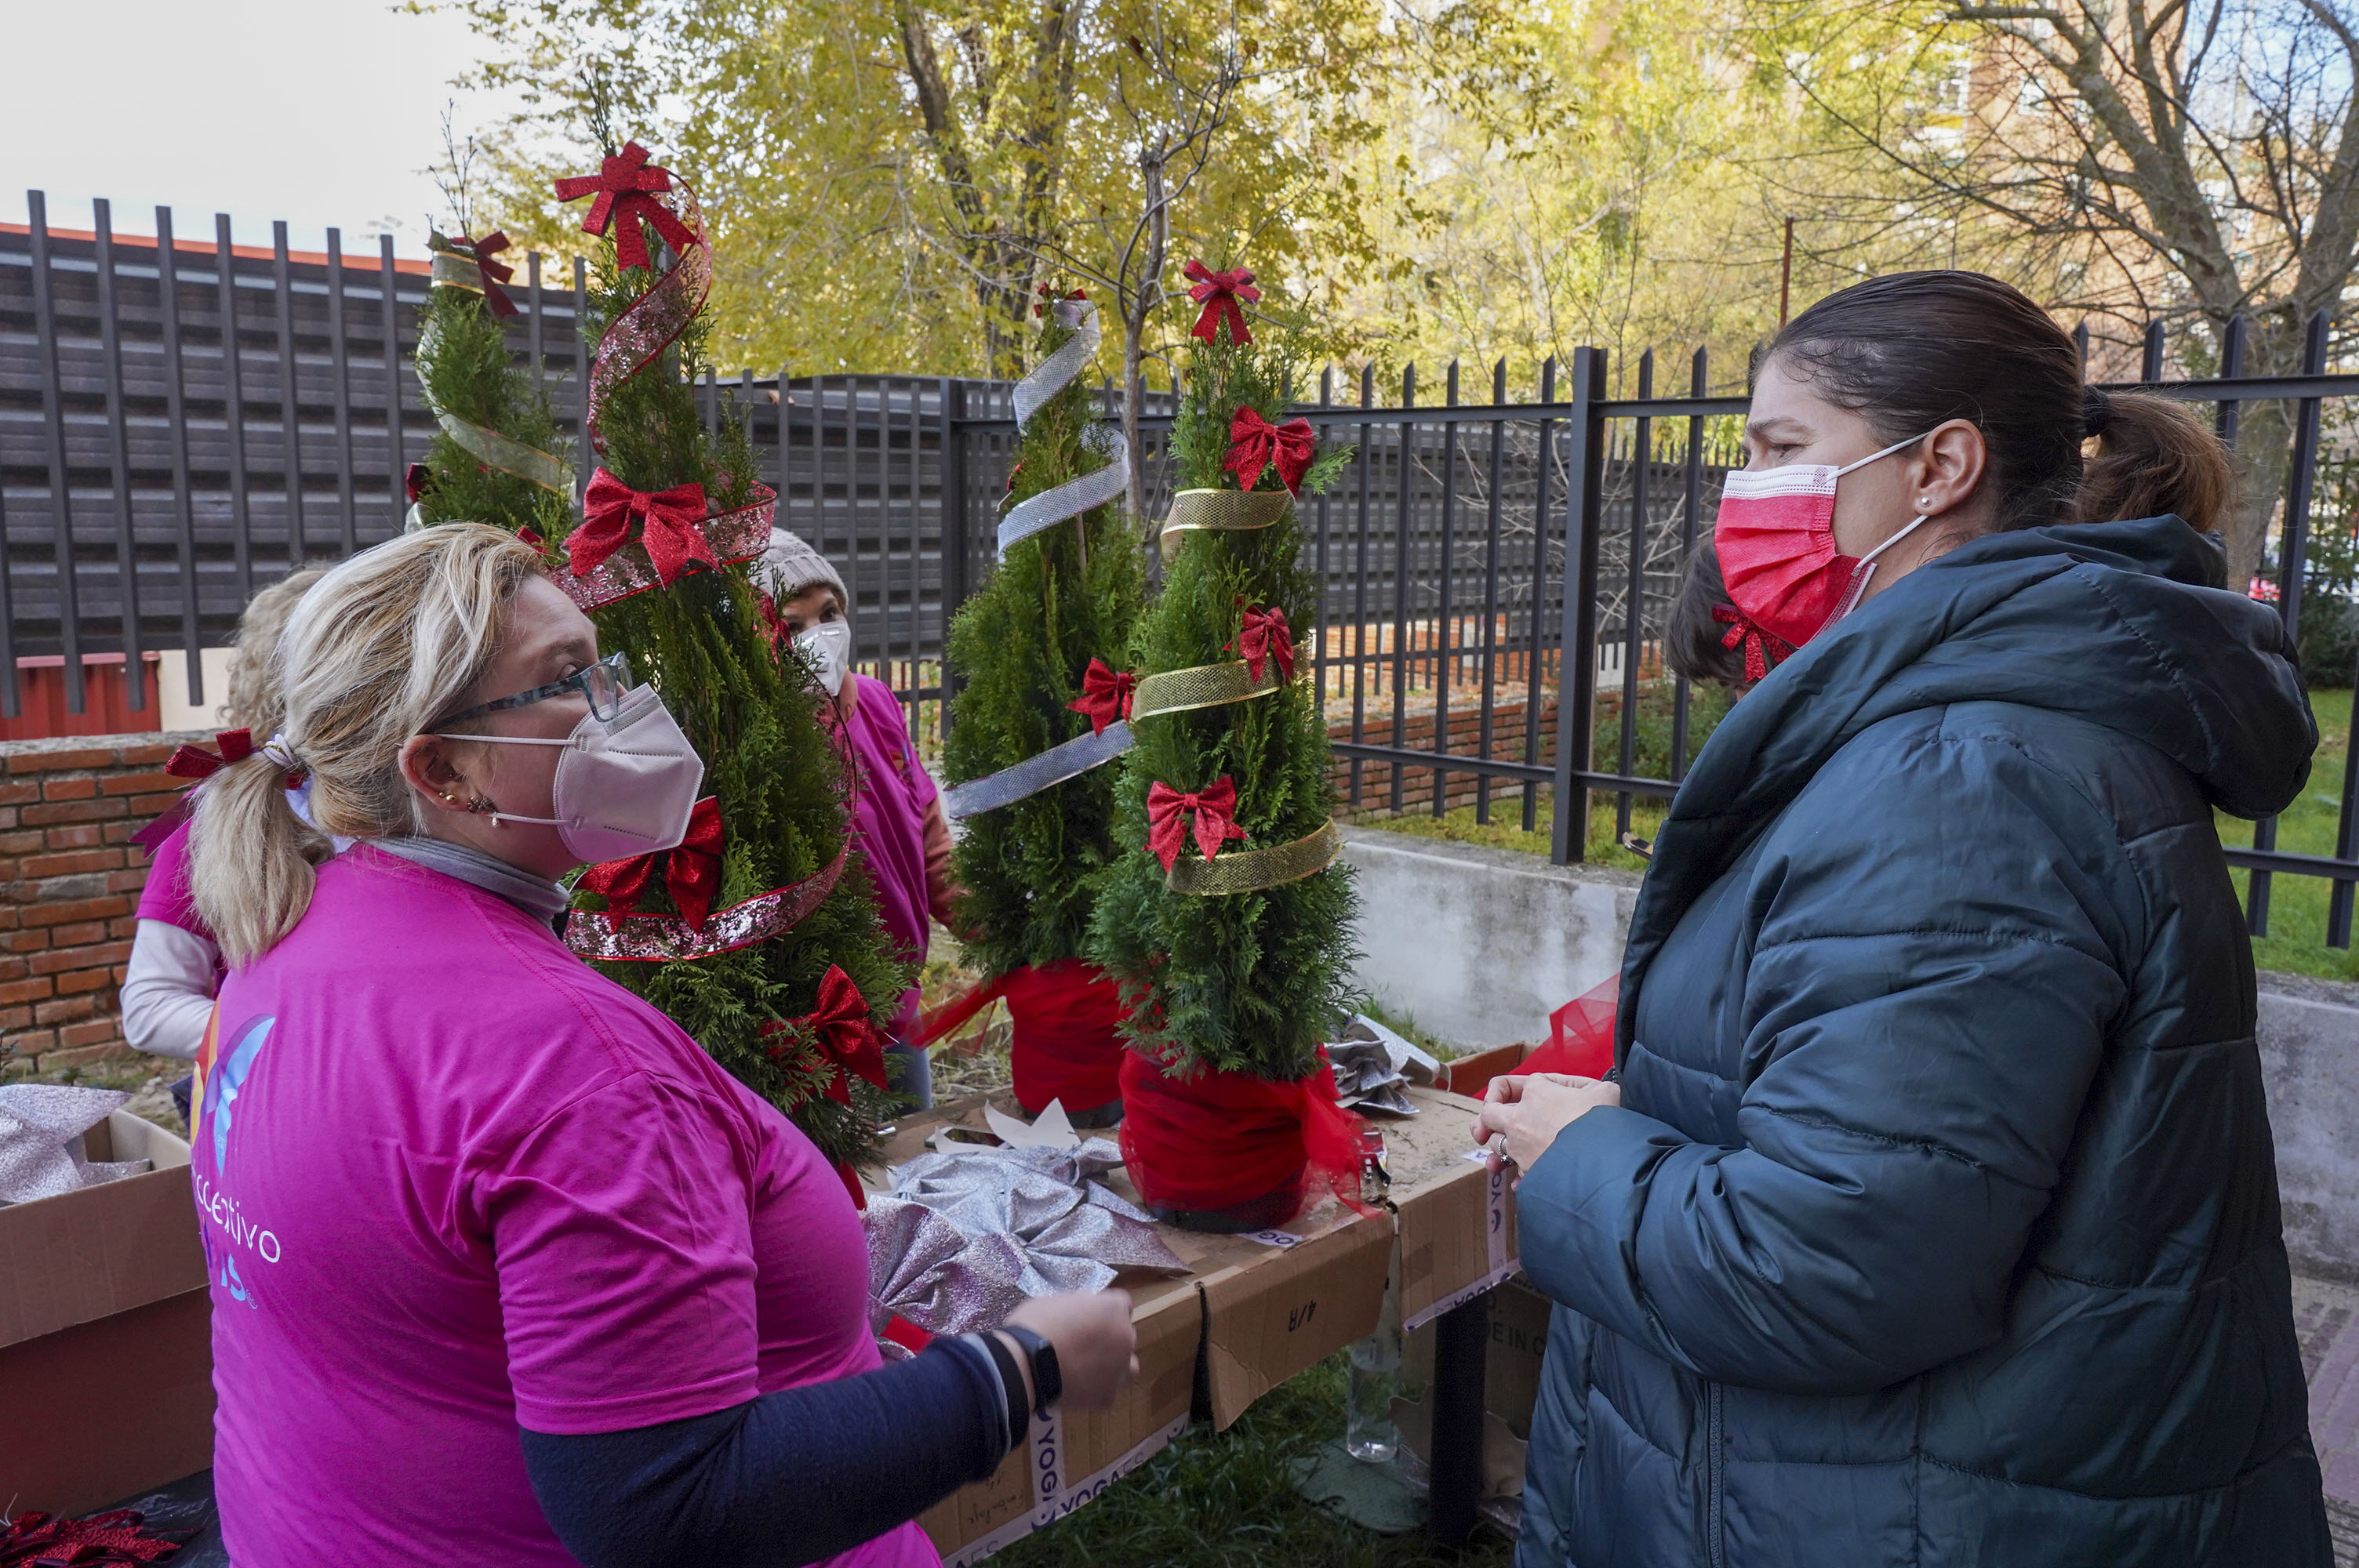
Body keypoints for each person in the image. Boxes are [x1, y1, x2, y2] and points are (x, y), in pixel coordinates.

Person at [1479, 272, 2332, 1567]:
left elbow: (1830, 1271)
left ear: (1938, 468)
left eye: (1781, 448)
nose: (1744, 495)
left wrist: (1579, 1156)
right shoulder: (1958, 730)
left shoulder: (1960, 781)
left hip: (1915, 1507)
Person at [184, 523, 1136, 1567]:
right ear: (444, 770)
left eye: (610, 668)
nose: (628, 709)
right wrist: (1024, 1366)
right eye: (572, 680)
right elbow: (670, 1507)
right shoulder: (577, 1069)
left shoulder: (282, 943)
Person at [761, 529, 959, 1108]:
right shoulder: (758, 743)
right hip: (808, 1031)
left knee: (913, 1146)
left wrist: (1000, 931)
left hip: (897, 1007)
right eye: (792, 625)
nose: (819, 636)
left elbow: (928, 839)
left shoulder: (875, 702)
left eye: (829, 614)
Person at [122, 568, 329, 1117]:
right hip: (266, 1105)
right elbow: (150, 1008)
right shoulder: (216, 824)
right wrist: (310, 1038)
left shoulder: (428, 806)